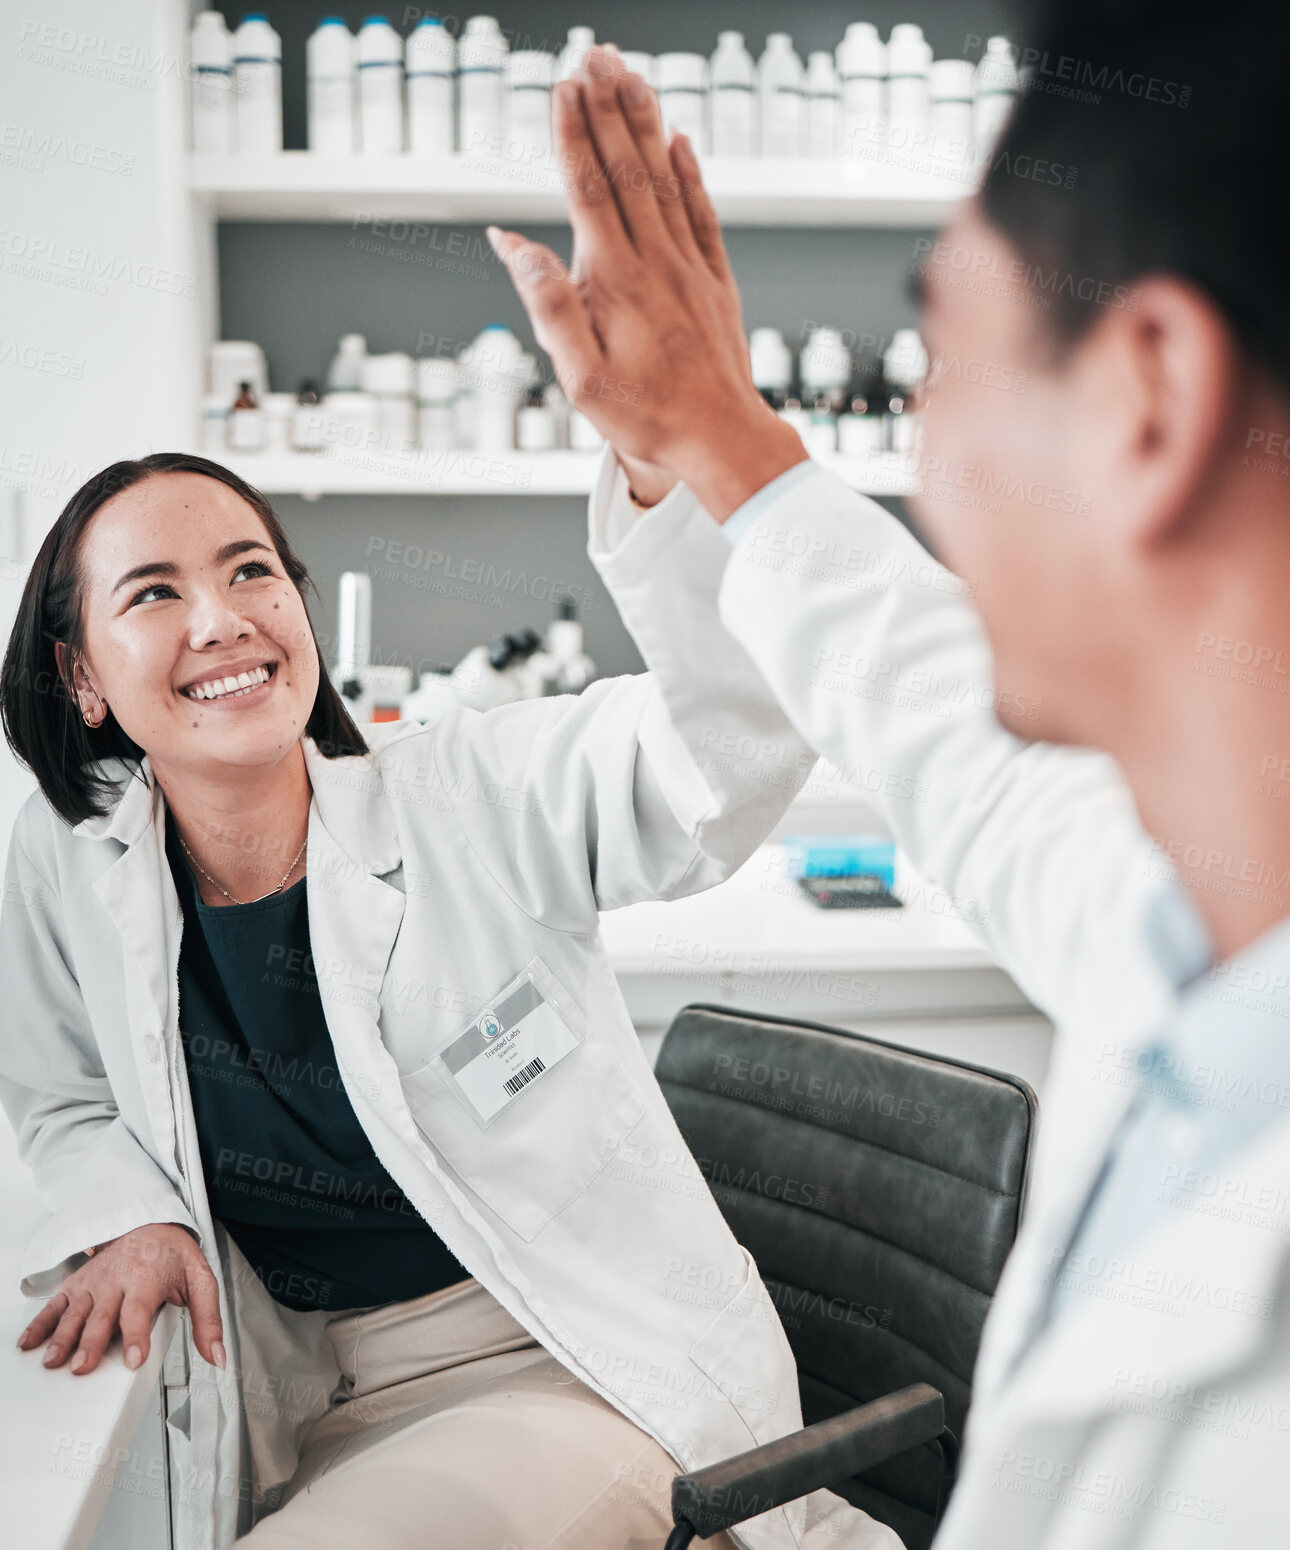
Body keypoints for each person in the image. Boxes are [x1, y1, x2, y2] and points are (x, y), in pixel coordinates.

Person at [488, 8, 1290, 1546]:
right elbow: (943, 727)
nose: (917, 446)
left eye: (939, 357)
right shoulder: (1190, 912)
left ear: (1146, 402)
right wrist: (717, 438)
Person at [0, 452, 904, 1550]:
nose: (222, 618)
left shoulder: (470, 795)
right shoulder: (69, 855)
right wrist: (132, 1213)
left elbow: (713, 759)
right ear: (80, 673)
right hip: (323, 1392)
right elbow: (62, 1093)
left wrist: (677, 475)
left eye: (251, 572)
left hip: (581, 1362)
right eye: (153, 591)